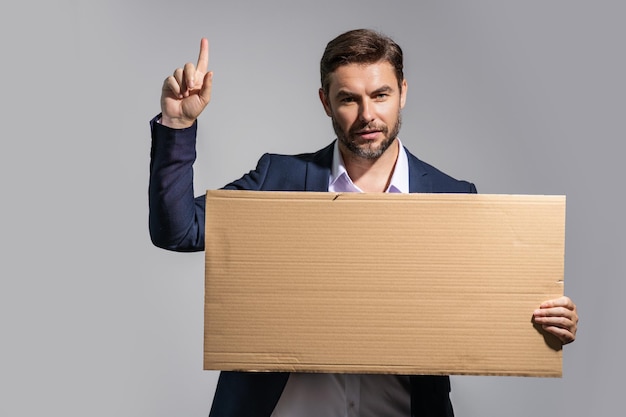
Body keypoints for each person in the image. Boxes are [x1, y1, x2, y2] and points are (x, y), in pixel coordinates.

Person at [149, 29, 578, 417]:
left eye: (380, 95)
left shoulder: (454, 197)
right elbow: (179, 230)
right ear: (325, 102)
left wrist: (545, 320)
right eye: (349, 98)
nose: (367, 114)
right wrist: (179, 123)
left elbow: (482, 307)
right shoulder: (276, 180)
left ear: (403, 92)